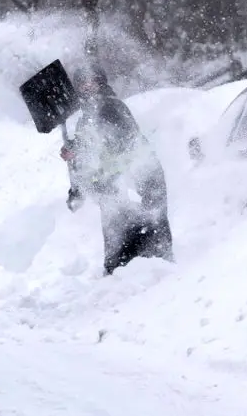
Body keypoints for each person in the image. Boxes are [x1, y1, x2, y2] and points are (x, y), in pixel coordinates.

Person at [60, 66, 174, 275]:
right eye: (82, 83)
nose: (87, 87)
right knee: (118, 246)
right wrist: (76, 189)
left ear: (101, 82)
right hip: (114, 189)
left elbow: (119, 143)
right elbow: (86, 163)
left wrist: (80, 150)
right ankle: (123, 279)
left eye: (92, 81)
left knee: (149, 240)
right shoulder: (86, 120)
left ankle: (160, 279)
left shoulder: (113, 108)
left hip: (141, 182)